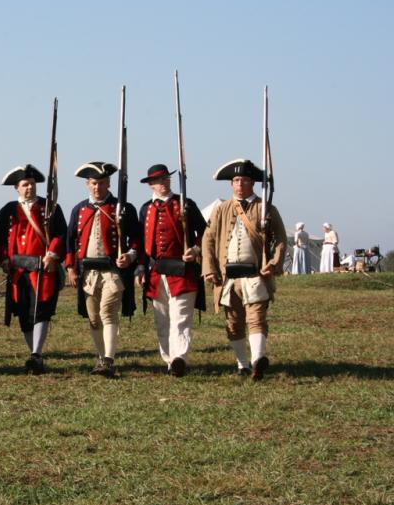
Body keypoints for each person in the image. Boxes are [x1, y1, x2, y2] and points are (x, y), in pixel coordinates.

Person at [201, 159, 286, 380]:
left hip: (255, 276)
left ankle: (258, 360)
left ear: (253, 183)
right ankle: (242, 364)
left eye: (245, 180)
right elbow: (208, 240)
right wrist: (210, 269)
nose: (240, 184)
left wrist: (274, 264)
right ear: (231, 184)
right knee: (234, 322)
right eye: (236, 180)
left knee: (256, 319)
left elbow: (280, 239)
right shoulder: (222, 209)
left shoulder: (266, 208)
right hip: (228, 278)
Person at [65, 162, 140, 378]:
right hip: (87, 272)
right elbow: (70, 241)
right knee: (94, 318)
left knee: (107, 312)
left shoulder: (122, 207)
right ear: (88, 185)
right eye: (93, 183)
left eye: (102, 183)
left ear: (108, 183)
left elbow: (136, 239)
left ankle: (108, 359)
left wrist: (131, 255)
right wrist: (71, 267)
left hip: (112, 272)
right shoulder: (79, 209)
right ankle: (100, 357)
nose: (97, 187)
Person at [135, 164, 206, 377]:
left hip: (182, 269)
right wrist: (140, 267)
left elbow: (205, 233)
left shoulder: (185, 204)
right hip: (156, 272)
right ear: (151, 185)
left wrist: (195, 249)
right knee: (162, 319)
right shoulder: (145, 209)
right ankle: (169, 360)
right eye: (158, 180)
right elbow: (141, 242)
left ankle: (179, 358)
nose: (163, 183)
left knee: (181, 317)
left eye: (166, 179)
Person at [0, 164, 67, 374]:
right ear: (17, 188)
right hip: (18, 271)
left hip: (41, 269)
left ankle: (36, 353)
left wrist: (52, 254)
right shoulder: (8, 210)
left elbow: (60, 234)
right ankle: (34, 354)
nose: (29, 188)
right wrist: (3, 259)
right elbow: (0, 239)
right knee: (24, 314)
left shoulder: (50, 207)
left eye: (32, 184)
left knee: (41, 311)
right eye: (25, 185)